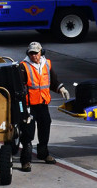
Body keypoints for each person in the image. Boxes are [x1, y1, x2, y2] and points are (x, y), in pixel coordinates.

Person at [19, 41, 69, 172]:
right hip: (29, 105)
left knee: (45, 125)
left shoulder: (47, 64)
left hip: (42, 103)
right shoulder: (23, 67)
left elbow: (53, 81)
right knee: (28, 133)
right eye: (31, 53)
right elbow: (20, 88)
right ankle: (25, 161)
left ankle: (43, 154)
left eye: (36, 53)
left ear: (41, 52)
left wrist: (61, 88)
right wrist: (23, 107)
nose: (34, 56)